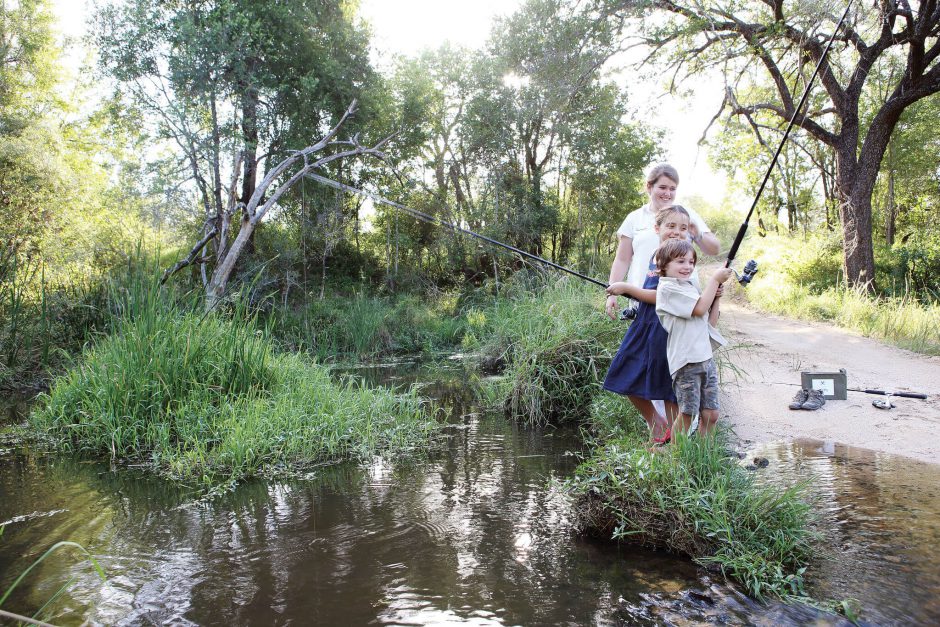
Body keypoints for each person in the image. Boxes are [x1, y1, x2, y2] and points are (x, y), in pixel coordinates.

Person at [603, 205, 695, 443]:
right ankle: (656, 422)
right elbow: (651, 292)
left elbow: (666, 298)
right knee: (621, 372)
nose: (676, 231)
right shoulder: (658, 256)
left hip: (667, 329)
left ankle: (675, 442)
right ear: (657, 228)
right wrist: (625, 292)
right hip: (645, 323)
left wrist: (627, 289)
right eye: (671, 226)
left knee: (668, 385)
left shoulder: (684, 260)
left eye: (683, 228)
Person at [605, 163, 719, 323]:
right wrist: (612, 292)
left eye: (673, 189)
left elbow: (714, 249)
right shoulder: (634, 218)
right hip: (642, 297)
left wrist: (697, 233)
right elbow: (622, 259)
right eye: (663, 187)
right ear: (649, 187)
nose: (668, 193)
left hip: (681, 299)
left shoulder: (686, 214)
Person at [654, 239, 733, 437]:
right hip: (687, 361)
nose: (687, 266)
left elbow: (709, 322)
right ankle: (676, 456)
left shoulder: (688, 286)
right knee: (688, 413)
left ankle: (704, 455)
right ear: (663, 265)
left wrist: (716, 297)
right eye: (681, 261)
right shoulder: (667, 289)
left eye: (691, 262)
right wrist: (714, 280)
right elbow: (698, 309)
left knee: (711, 413)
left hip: (705, 358)